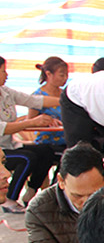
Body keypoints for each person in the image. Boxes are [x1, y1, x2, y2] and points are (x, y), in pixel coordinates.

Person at [0, 55, 60, 213]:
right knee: (27, 158)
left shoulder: (5, 92)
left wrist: (64, 100)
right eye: (3, 71)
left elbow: (34, 101)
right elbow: (3, 128)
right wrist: (32, 122)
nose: (7, 75)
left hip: (10, 145)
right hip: (2, 150)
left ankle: (31, 192)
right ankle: (10, 200)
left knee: (46, 151)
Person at [29, 56, 68, 147]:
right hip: (46, 142)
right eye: (62, 75)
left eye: (67, 75)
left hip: (68, 140)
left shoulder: (66, 94)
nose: (65, 78)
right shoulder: (37, 96)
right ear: (48, 74)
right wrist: (45, 122)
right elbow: (30, 123)